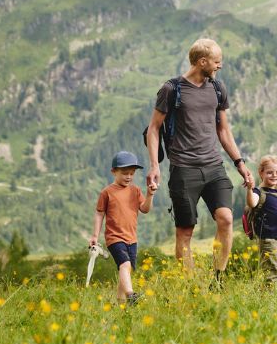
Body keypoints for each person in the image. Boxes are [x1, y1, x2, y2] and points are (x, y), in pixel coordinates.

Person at [145, 38, 251, 286]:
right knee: (185, 232)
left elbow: (223, 131)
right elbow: (153, 129)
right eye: (217, 61)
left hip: (214, 167)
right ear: (202, 62)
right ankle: (189, 285)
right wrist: (154, 165)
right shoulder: (172, 90)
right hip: (184, 170)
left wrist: (240, 163)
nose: (220, 66)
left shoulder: (217, 89)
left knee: (225, 219)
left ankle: (218, 279)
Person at [90, 150, 157, 304]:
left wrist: (150, 195)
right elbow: (99, 214)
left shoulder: (135, 191)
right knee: (125, 265)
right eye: (125, 173)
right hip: (114, 238)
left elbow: (145, 209)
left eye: (132, 173)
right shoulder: (107, 192)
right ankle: (131, 295)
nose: (129, 176)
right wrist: (95, 236)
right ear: (114, 172)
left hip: (132, 238)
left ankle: (120, 304)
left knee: (126, 269)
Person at [245, 154, 277, 284]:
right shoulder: (258, 192)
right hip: (268, 239)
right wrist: (249, 189)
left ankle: (269, 297)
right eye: (270, 172)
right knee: (271, 274)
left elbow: (276, 213)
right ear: (261, 173)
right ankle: (268, 300)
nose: (274, 175)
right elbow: (252, 203)